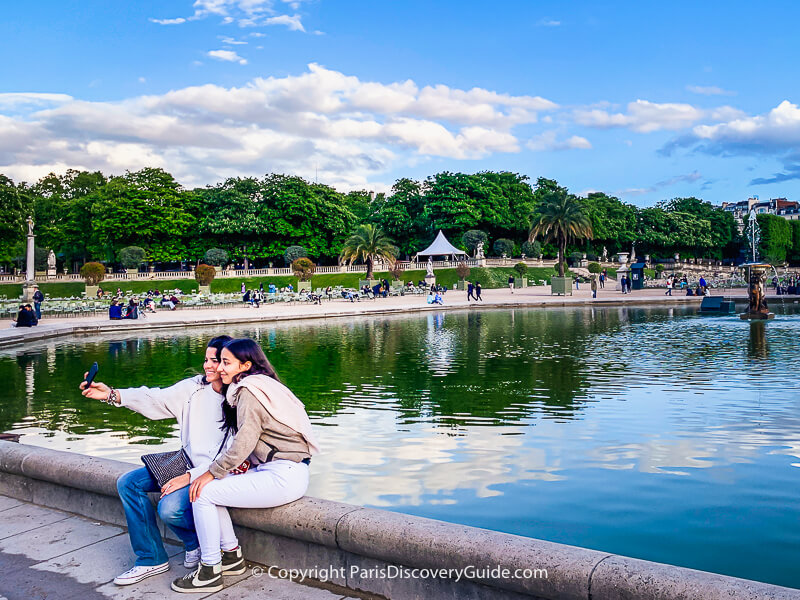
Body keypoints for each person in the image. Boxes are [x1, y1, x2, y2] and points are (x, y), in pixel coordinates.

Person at [80, 336, 234, 587]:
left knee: (170, 508)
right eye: (205, 359)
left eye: (215, 361)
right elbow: (155, 398)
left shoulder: (239, 399)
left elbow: (234, 454)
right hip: (185, 462)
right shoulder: (193, 388)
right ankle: (151, 558)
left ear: (232, 364)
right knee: (128, 483)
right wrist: (111, 394)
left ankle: (196, 542)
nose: (207, 366)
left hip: (213, 473)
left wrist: (190, 477)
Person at [172, 339, 319, 593]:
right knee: (211, 491)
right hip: (285, 470)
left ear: (245, 365)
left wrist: (211, 472)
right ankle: (231, 557)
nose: (219, 369)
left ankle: (209, 570)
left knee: (203, 492)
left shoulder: (249, 392)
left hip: (283, 475)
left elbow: (243, 443)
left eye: (226, 363)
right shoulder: (262, 384)